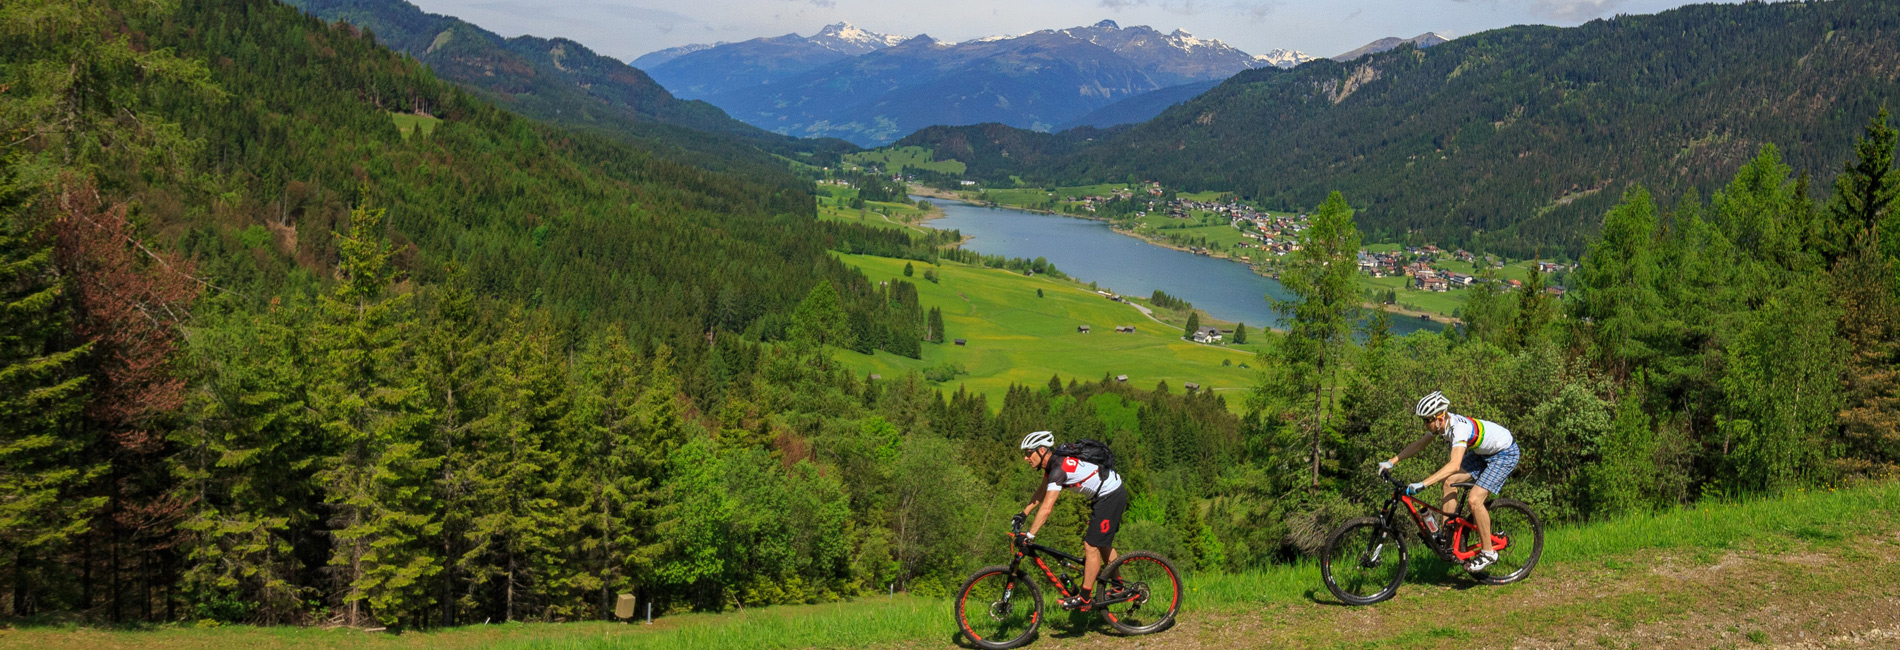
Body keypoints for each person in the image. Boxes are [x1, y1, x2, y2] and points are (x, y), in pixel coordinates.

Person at [1379, 391, 1521, 573]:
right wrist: (1392, 461)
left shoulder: (1459, 429)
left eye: (1426, 420)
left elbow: (1454, 464)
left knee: (1475, 500)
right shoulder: (1441, 426)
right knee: (1449, 482)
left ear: (1439, 417)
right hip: (1483, 453)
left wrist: (1423, 483)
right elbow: (1419, 445)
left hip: (1504, 453)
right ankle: (1448, 535)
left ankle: (1488, 552)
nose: (1425, 424)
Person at [1015, 431, 1127, 610]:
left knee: (1091, 546)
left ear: (1042, 450)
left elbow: (1046, 508)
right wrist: (1023, 514)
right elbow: (1041, 492)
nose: (1025, 458)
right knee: (1102, 542)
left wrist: (1030, 535)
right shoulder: (1052, 464)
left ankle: (1084, 598)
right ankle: (1118, 586)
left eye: (1029, 453)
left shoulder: (1058, 470)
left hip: (1111, 495)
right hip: (1101, 497)